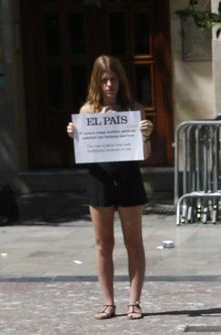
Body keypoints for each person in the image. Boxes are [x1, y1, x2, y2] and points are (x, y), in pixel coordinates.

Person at [66, 55, 155, 320]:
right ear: (96, 82)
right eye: (104, 80)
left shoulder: (133, 109)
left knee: (134, 242)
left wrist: (146, 135)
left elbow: (145, 154)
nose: (109, 85)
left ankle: (134, 302)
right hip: (100, 179)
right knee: (103, 243)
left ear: (121, 80)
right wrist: (75, 135)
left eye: (113, 79)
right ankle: (108, 302)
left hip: (129, 177)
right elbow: (84, 153)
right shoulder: (87, 111)